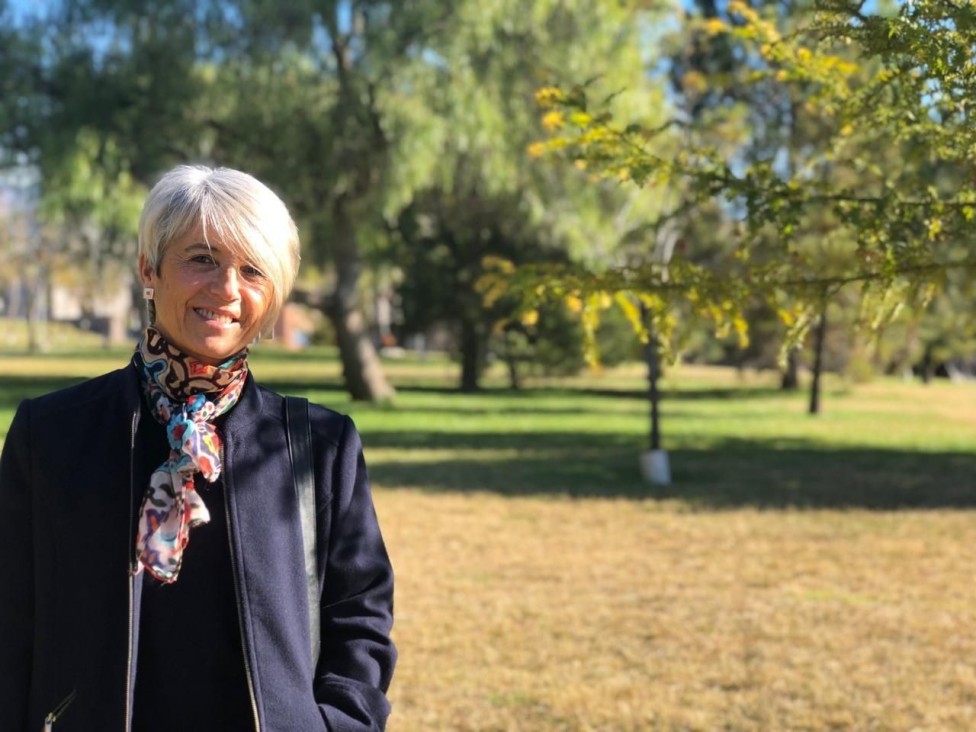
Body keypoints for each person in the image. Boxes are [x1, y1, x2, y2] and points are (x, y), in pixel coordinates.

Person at [0, 165, 396, 731]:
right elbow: (12, 620)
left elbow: (358, 617)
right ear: (149, 269)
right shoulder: (51, 434)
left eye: (253, 270)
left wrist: (336, 724)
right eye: (202, 259)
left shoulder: (320, 446)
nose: (227, 289)